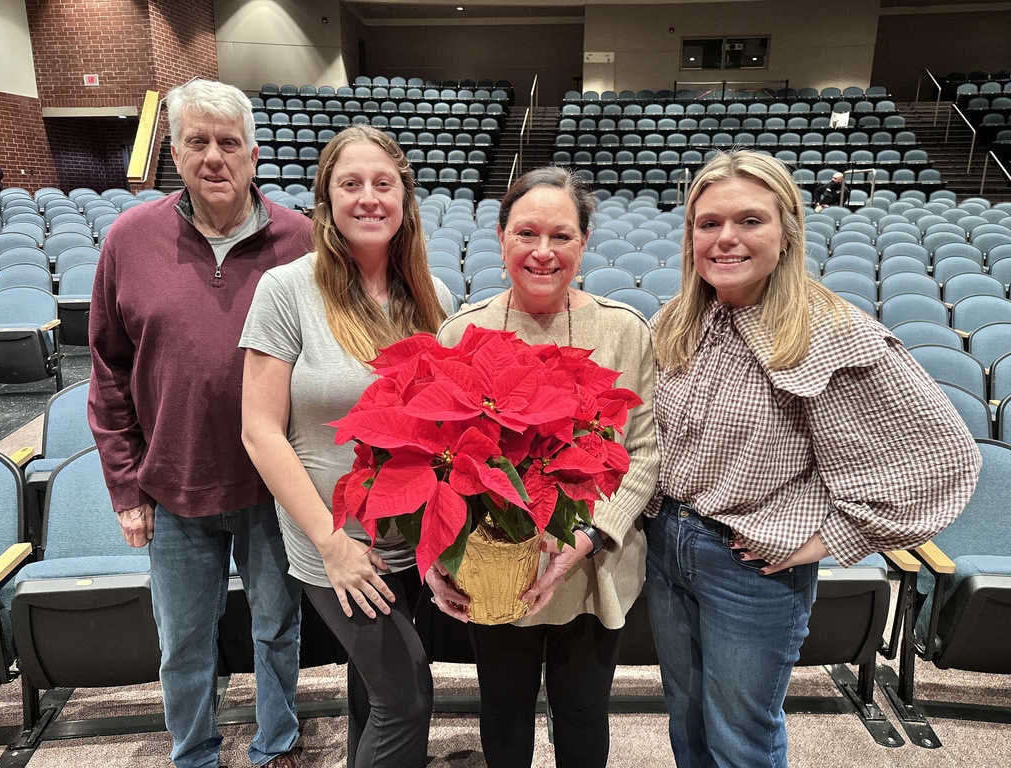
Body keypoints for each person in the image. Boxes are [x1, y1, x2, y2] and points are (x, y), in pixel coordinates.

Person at [645, 149, 981, 768]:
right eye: (708, 222)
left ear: (788, 230)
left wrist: (828, 537)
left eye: (750, 220)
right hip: (669, 548)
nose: (725, 238)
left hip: (750, 569)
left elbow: (944, 457)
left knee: (741, 737)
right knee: (686, 719)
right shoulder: (679, 320)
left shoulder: (830, 329)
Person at [88, 79, 311, 768]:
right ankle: (194, 753)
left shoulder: (300, 239)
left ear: (252, 154)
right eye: (197, 142)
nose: (214, 157)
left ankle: (276, 745)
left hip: (274, 486)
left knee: (276, 629)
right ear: (175, 153)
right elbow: (107, 370)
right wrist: (125, 488)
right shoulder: (130, 238)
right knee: (182, 641)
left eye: (228, 143)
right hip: (174, 487)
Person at [425, 166, 658, 768]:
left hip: (590, 566)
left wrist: (577, 542)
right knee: (503, 713)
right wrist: (438, 558)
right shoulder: (462, 330)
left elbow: (644, 451)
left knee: (583, 712)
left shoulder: (623, 330)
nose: (543, 252)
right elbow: (433, 457)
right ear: (501, 237)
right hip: (496, 567)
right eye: (527, 233)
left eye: (562, 236)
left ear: (584, 243)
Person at [239, 125, 451, 768]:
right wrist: (332, 545)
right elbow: (259, 430)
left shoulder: (432, 298)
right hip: (333, 539)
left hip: (407, 536)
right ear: (325, 201)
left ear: (404, 198)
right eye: (349, 184)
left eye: (383, 183)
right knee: (408, 695)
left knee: (376, 696)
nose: (368, 198)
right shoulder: (286, 289)